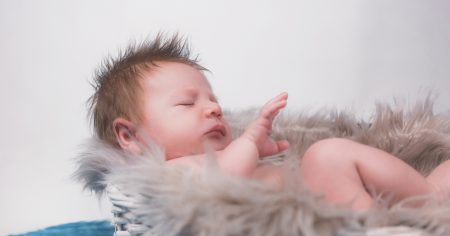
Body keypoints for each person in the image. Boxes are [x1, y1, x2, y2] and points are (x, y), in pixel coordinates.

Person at [88, 34, 450, 211]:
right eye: (187, 103)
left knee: (327, 156)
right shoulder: (167, 176)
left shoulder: (220, 153)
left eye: (213, 99)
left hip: (339, 201)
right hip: (331, 218)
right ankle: (420, 209)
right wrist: (248, 143)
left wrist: (252, 149)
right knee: (326, 156)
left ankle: (427, 196)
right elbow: (222, 181)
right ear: (129, 136)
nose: (213, 109)